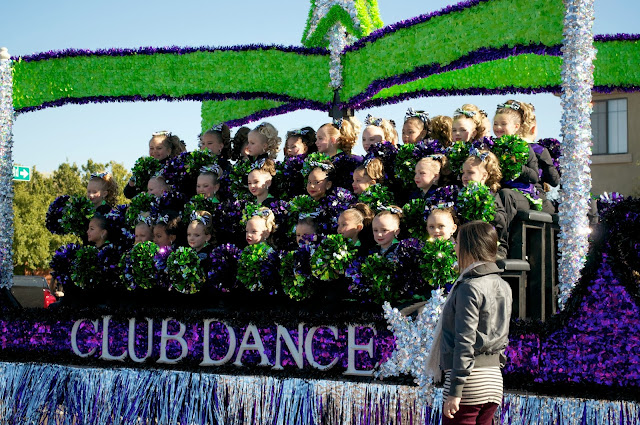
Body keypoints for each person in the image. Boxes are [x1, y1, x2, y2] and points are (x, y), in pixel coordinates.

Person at [429, 220, 512, 425]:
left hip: (469, 383)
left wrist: (455, 390)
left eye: (457, 242)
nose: (454, 247)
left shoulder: (469, 287)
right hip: (494, 380)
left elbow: (465, 341)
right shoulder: (503, 285)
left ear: (469, 247)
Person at [461, 150, 509, 259]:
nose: (465, 176)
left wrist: (486, 208)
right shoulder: (462, 197)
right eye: (463, 172)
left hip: (491, 246)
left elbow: (502, 221)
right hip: (468, 244)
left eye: (470, 172)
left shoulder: (491, 197)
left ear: (484, 176)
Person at [124, 131, 186, 199]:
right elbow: (128, 194)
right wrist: (134, 179)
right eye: (151, 148)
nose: (154, 151)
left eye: (159, 148)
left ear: (169, 150)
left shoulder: (174, 167)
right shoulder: (146, 168)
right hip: (148, 204)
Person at [315, 117, 363, 190]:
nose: (316, 142)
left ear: (332, 140)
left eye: (320, 138)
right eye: (317, 139)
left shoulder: (350, 161)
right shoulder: (319, 161)